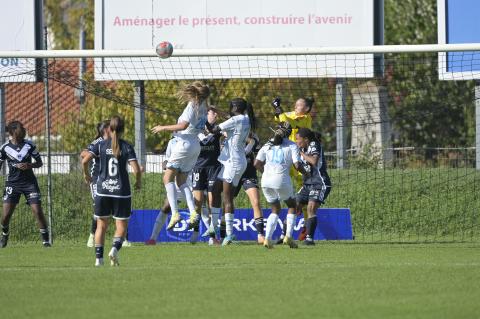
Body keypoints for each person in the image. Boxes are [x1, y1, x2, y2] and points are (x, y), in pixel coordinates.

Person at [82, 116, 141, 266]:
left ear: (109, 129)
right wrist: (138, 182)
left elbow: (84, 160)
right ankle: (114, 249)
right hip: (121, 191)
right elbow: (136, 169)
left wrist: (86, 174)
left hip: (102, 190)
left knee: (101, 225)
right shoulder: (127, 146)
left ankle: (98, 259)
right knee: (121, 226)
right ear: (123, 129)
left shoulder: (101, 145)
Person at [151, 82, 209, 232]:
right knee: (181, 180)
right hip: (196, 145)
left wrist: (162, 127)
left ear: (194, 94)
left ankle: (175, 213)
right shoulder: (204, 106)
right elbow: (211, 110)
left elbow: (182, 126)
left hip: (185, 143)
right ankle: (193, 213)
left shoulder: (192, 106)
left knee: (167, 178)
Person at [206, 98, 255, 246]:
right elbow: (228, 117)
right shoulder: (244, 118)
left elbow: (213, 130)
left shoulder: (236, 120)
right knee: (215, 190)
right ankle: (213, 228)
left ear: (234, 107)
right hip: (231, 162)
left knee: (227, 197)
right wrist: (214, 108)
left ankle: (229, 235)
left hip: (233, 163)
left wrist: (205, 119)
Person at [0, 121, 50, 248]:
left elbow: (39, 163)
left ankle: (46, 242)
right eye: (20, 129)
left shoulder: (29, 145)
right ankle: (5, 234)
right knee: (5, 216)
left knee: (37, 211)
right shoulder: (5, 148)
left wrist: (29, 165)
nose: (23, 130)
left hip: (29, 183)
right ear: (13, 132)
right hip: (12, 184)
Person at [255, 122, 304, 249]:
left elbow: (256, 163)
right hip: (281, 180)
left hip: (265, 180)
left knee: (275, 209)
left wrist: (265, 172)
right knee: (292, 205)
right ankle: (288, 236)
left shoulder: (268, 144)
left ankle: (267, 239)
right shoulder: (292, 145)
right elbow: (297, 165)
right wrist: (307, 173)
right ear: (288, 133)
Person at [272, 96, 315, 241]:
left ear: (306, 108)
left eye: (300, 104)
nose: (297, 105)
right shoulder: (289, 114)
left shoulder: (306, 118)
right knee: (282, 191)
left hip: (298, 158)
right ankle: (283, 231)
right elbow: (281, 121)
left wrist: (278, 109)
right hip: (285, 158)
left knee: (303, 193)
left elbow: (287, 121)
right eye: (296, 103)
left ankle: (305, 227)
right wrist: (278, 111)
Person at [190, 106, 222, 244]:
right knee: (197, 203)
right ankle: (195, 233)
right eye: (212, 112)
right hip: (198, 168)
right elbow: (201, 140)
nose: (215, 115)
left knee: (211, 202)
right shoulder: (196, 129)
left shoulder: (219, 129)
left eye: (216, 113)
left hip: (213, 168)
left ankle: (212, 237)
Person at [295, 128, 332, 246]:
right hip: (307, 183)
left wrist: (300, 153)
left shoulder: (314, 144)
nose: (296, 142)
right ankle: (284, 236)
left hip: (320, 183)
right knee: (294, 206)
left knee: (311, 209)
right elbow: (301, 167)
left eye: (298, 139)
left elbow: (314, 161)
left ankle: (309, 239)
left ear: (305, 139)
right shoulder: (301, 148)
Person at [82, 120, 110, 248]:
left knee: (118, 207)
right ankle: (92, 236)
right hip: (97, 179)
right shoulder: (98, 142)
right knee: (98, 208)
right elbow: (84, 153)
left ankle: (123, 238)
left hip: (112, 179)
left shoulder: (117, 143)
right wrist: (95, 154)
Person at [233, 131, 265, 244]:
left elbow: (258, 156)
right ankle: (225, 235)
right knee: (228, 202)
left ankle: (260, 235)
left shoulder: (254, 137)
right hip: (234, 174)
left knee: (256, 202)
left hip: (249, 174)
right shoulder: (230, 133)